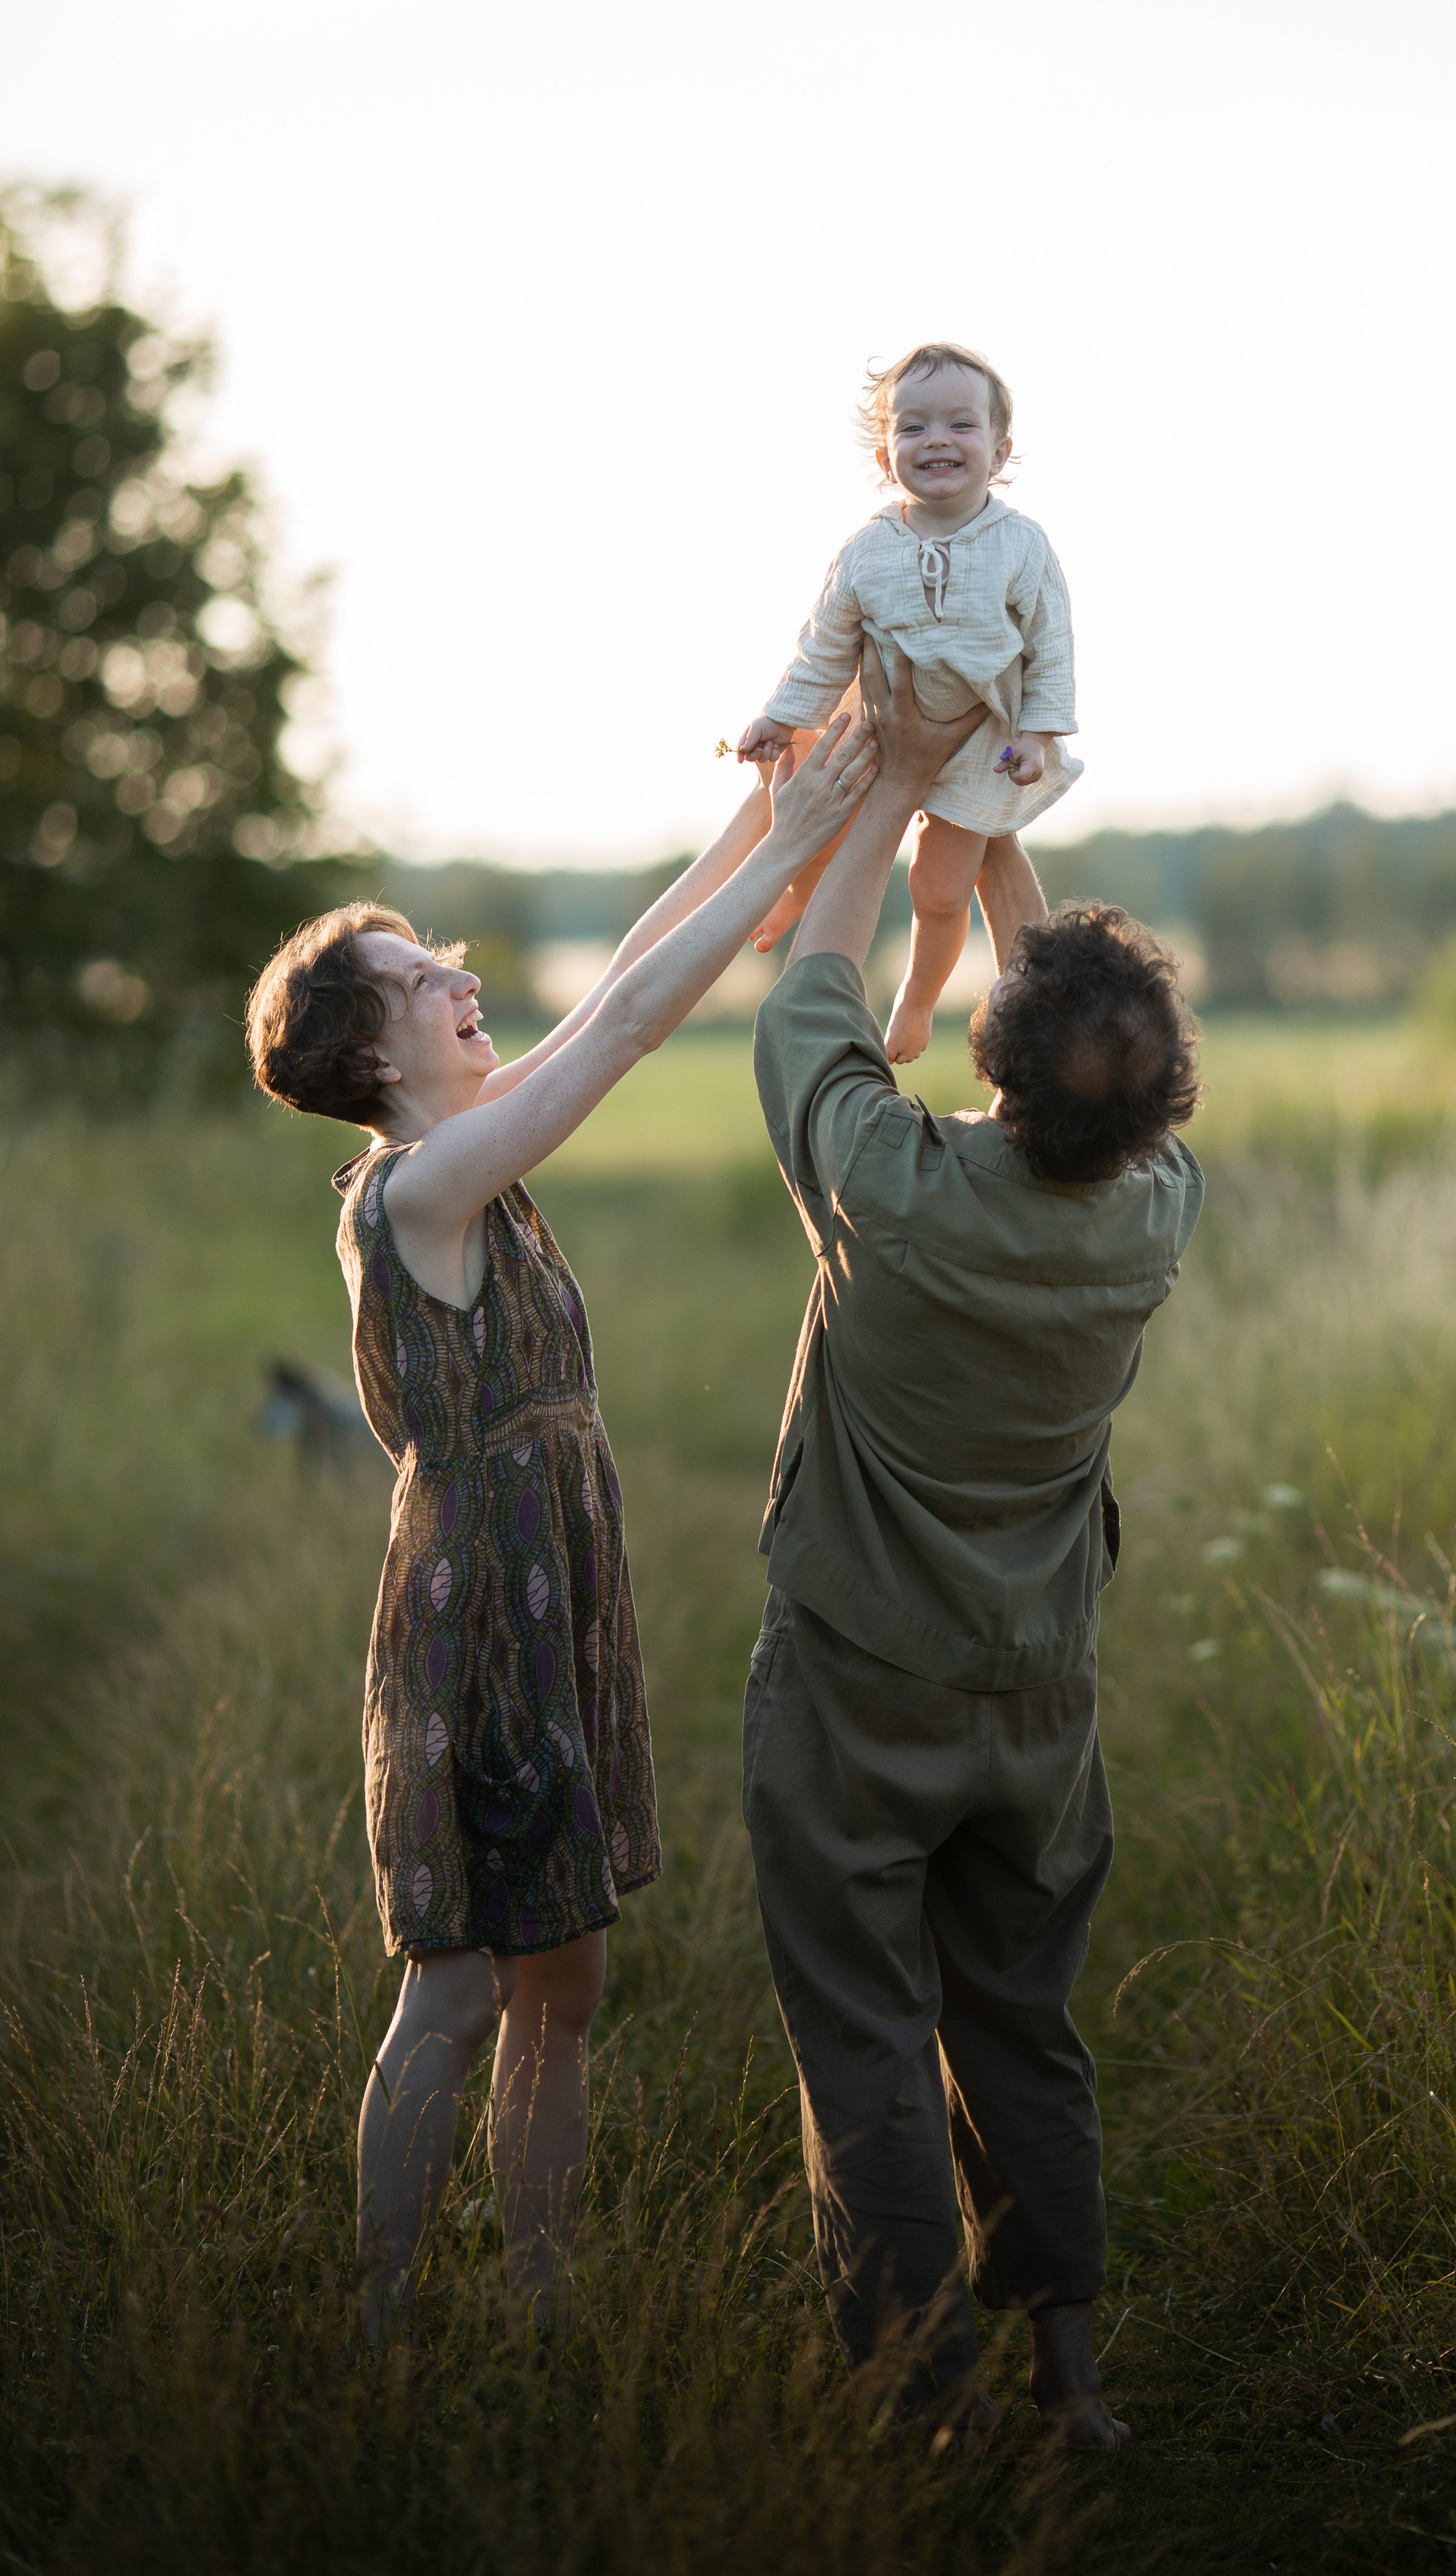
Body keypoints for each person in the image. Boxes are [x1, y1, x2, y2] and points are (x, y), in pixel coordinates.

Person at [242, 722, 876, 2347]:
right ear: (373, 1053)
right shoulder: (416, 1189)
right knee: (457, 1983)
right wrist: (797, 831)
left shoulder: (468, 1142)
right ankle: (381, 2321)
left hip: (556, 1582)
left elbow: (626, 977)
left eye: (442, 955)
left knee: (565, 1984)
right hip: (474, 1616)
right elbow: (629, 1028)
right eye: (416, 976)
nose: (456, 976)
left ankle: (540, 2307)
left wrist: (776, 801)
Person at [743, 642, 1205, 2448]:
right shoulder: (1153, 1210)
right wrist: (994, 808)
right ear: (1156, 1098)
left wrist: (868, 788)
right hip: (1036, 1695)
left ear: (998, 1058)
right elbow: (1071, 1036)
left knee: (864, 2025)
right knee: (1020, 2018)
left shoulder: (889, 1184)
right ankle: (1069, 2376)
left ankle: (917, 2389)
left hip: (858, 1678)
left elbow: (820, 976)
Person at [737, 341, 1082, 1066]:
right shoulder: (867, 551)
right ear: (886, 455)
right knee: (820, 815)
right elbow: (825, 645)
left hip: (983, 742)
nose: (937, 441)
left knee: (939, 885)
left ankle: (919, 998)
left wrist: (1040, 735)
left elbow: (1050, 646)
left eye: (961, 425)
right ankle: (799, 889)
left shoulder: (1020, 545)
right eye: (913, 427)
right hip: (878, 722)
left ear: (1000, 449)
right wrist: (781, 715)